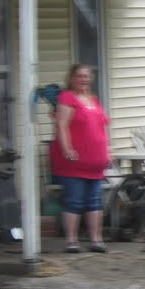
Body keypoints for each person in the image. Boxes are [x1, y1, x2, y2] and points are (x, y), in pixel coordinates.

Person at [50, 63, 112, 253]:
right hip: (75, 161)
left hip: (96, 161)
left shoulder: (93, 99)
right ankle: (71, 240)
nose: (83, 79)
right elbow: (62, 125)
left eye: (86, 76)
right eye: (79, 76)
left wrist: (108, 152)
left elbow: (102, 128)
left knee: (94, 201)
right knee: (74, 201)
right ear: (71, 78)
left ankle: (96, 239)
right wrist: (66, 148)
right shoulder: (66, 98)